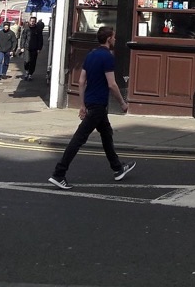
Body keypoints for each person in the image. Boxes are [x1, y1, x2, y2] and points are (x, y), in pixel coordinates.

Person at [48, 25, 135, 190]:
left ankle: (117, 168)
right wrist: (122, 103)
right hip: (98, 105)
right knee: (78, 139)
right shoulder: (108, 57)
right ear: (109, 39)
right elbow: (112, 84)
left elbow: (81, 82)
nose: (115, 40)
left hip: (92, 103)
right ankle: (59, 174)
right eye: (114, 37)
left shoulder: (90, 55)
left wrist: (82, 105)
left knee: (106, 134)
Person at [18, 15, 44, 80]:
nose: (32, 22)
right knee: (26, 61)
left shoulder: (38, 30)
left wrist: (39, 48)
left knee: (33, 62)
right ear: (29, 21)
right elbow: (23, 38)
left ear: (35, 22)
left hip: (34, 48)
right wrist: (22, 47)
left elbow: (40, 40)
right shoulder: (26, 29)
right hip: (27, 48)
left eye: (33, 21)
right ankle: (26, 71)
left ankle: (30, 74)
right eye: (31, 21)